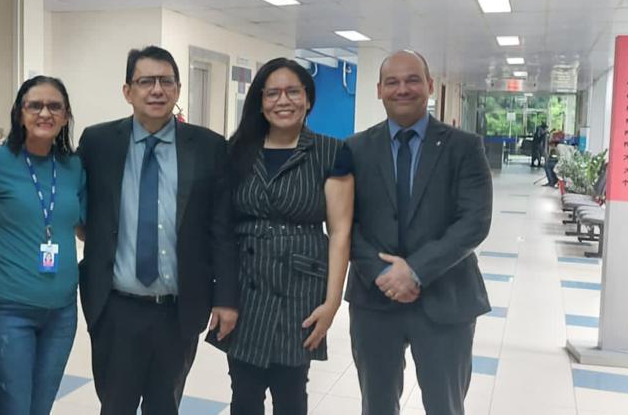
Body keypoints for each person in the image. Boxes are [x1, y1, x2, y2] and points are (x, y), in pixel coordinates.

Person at [77, 45, 239, 414]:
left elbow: (221, 229)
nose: (157, 90)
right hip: (115, 308)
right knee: (114, 406)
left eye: (166, 81)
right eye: (146, 81)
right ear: (127, 91)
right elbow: (77, 200)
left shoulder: (209, 147)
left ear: (179, 89)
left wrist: (226, 297)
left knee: (165, 405)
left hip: (178, 310)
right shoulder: (97, 142)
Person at [345, 50, 493, 415]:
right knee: (376, 405)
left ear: (429, 85)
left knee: (445, 405)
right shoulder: (354, 148)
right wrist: (382, 273)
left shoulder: (464, 147)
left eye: (412, 80)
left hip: (446, 297)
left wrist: (414, 271)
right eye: (392, 82)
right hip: (374, 301)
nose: (402, 89)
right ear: (378, 90)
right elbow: (344, 223)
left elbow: (474, 221)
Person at [211, 57, 354, 414]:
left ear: (308, 98)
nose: (283, 101)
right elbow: (222, 228)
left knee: (291, 394)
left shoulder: (331, 152)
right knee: (243, 392)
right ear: (260, 102)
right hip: (246, 287)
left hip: (300, 289)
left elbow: (339, 232)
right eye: (272, 93)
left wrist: (332, 302)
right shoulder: (236, 150)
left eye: (293, 91)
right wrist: (222, 295)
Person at [0, 76, 85, 415]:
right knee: (13, 408)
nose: (44, 113)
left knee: (40, 409)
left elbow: (83, 228)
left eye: (55, 106)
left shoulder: (74, 166)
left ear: (66, 116)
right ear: (19, 113)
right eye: (34, 105)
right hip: (9, 310)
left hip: (62, 313)